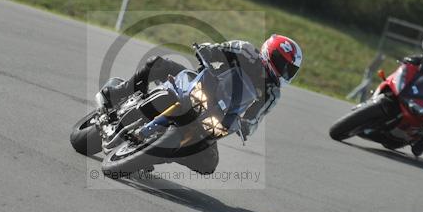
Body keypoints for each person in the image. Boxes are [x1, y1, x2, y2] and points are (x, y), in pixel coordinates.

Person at [96, 34, 303, 173]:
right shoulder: (245, 51)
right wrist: (205, 52)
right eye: (281, 62)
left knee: (208, 165)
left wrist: (244, 126)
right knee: (157, 64)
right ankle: (117, 93)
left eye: (289, 69)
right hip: (198, 85)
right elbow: (213, 50)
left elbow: (254, 117)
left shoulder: (272, 93)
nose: (283, 70)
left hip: (218, 115)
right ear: (270, 51)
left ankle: (151, 154)